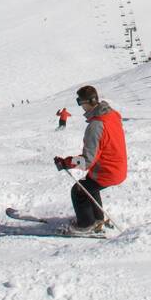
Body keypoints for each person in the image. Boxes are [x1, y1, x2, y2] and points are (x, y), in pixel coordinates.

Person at [54, 85, 127, 236]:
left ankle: (86, 225)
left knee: (79, 191)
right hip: (117, 167)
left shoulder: (95, 126)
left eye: (79, 102)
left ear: (86, 102)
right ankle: (98, 219)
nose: (80, 106)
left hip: (107, 171)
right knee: (90, 187)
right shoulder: (111, 115)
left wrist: (66, 163)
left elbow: (86, 161)